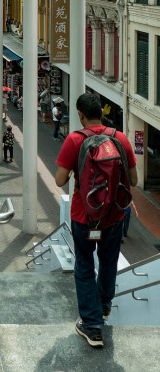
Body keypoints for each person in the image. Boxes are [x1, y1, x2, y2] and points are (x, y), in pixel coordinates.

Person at [55, 93, 137, 349]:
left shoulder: (75, 139)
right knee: (109, 261)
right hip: (114, 215)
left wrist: (75, 171)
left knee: (84, 266)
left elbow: (59, 180)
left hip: (84, 217)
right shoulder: (119, 138)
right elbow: (133, 180)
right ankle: (103, 309)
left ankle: (91, 326)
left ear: (80, 115)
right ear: (101, 112)